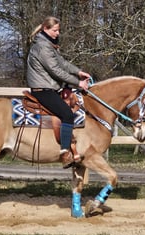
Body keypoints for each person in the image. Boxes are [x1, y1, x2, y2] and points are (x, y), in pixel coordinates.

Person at [26, 16, 90, 168]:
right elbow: (56, 71)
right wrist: (78, 82)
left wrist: (78, 72)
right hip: (43, 90)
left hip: (49, 88)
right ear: (45, 29)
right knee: (67, 114)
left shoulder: (48, 45)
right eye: (55, 30)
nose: (57, 33)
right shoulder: (43, 47)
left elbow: (62, 63)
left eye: (58, 30)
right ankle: (65, 152)